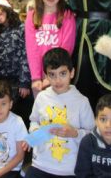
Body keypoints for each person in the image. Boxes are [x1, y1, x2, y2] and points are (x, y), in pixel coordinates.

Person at [24, 48, 95, 178]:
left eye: (62, 73)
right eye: (52, 75)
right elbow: (34, 120)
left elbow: (92, 135)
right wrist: (34, 133)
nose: (57, 80)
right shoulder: (41, 97)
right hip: (40, 164)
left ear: (72, 73)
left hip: (69, 169)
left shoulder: (82, 101)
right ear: (46, 76)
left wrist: (75, 133)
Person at [25, 0, 76, 97]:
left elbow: (66, 50)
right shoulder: (32, 16)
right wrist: (36, 78)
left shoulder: (67, 16)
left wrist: (52, 76)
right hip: (39, 80)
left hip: (59, 77)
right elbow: (32, 49)